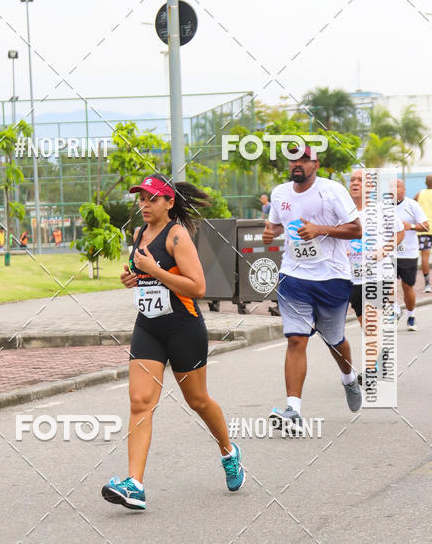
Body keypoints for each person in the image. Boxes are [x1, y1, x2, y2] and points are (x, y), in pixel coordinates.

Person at [101, 173, 245, 511]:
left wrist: (154, 270)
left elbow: (198, 287)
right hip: (148, 327)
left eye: (152, 198)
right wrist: (134, 278)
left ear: (169, 202)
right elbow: (148, 277)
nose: (144, 204)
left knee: (198, 401)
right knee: (140, 401)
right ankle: (135, 485)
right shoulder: (139, 234)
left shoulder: (177, 235)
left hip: (184, 329)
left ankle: (229, 452)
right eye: (141, 198)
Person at [262, 144, 363, 430]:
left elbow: (356, 229)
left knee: (334, 339)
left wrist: (320, 229)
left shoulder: (332, 191)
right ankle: (293, 410)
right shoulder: (280, 193)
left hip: (332, 277)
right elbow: (276, 226)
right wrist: (270, 232)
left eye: (305, 159)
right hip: (293, 276)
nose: (298, 164)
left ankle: (348, 378)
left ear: (316, 165)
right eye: (293, 159)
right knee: (296, 339)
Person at [347, 169, 404, 326]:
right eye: (352, 180)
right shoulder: (343, 211)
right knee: (365, 325)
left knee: (372, 325)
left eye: (360, 180)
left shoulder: (381, 209)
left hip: (377, 275)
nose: (355, 183)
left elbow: (400, 232)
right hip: (353, 276)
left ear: (370, 186)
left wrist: (384, 250)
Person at [394, 179, 428, 330]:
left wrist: (411, 226)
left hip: (408, 253)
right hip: (388, 252)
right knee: (385, 285)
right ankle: (395, 310)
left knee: (407, 286)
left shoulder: (412, 205)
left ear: (404, 190)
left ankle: (411, 315)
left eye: (397, 187)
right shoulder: (382, 206)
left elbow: (426, 226)